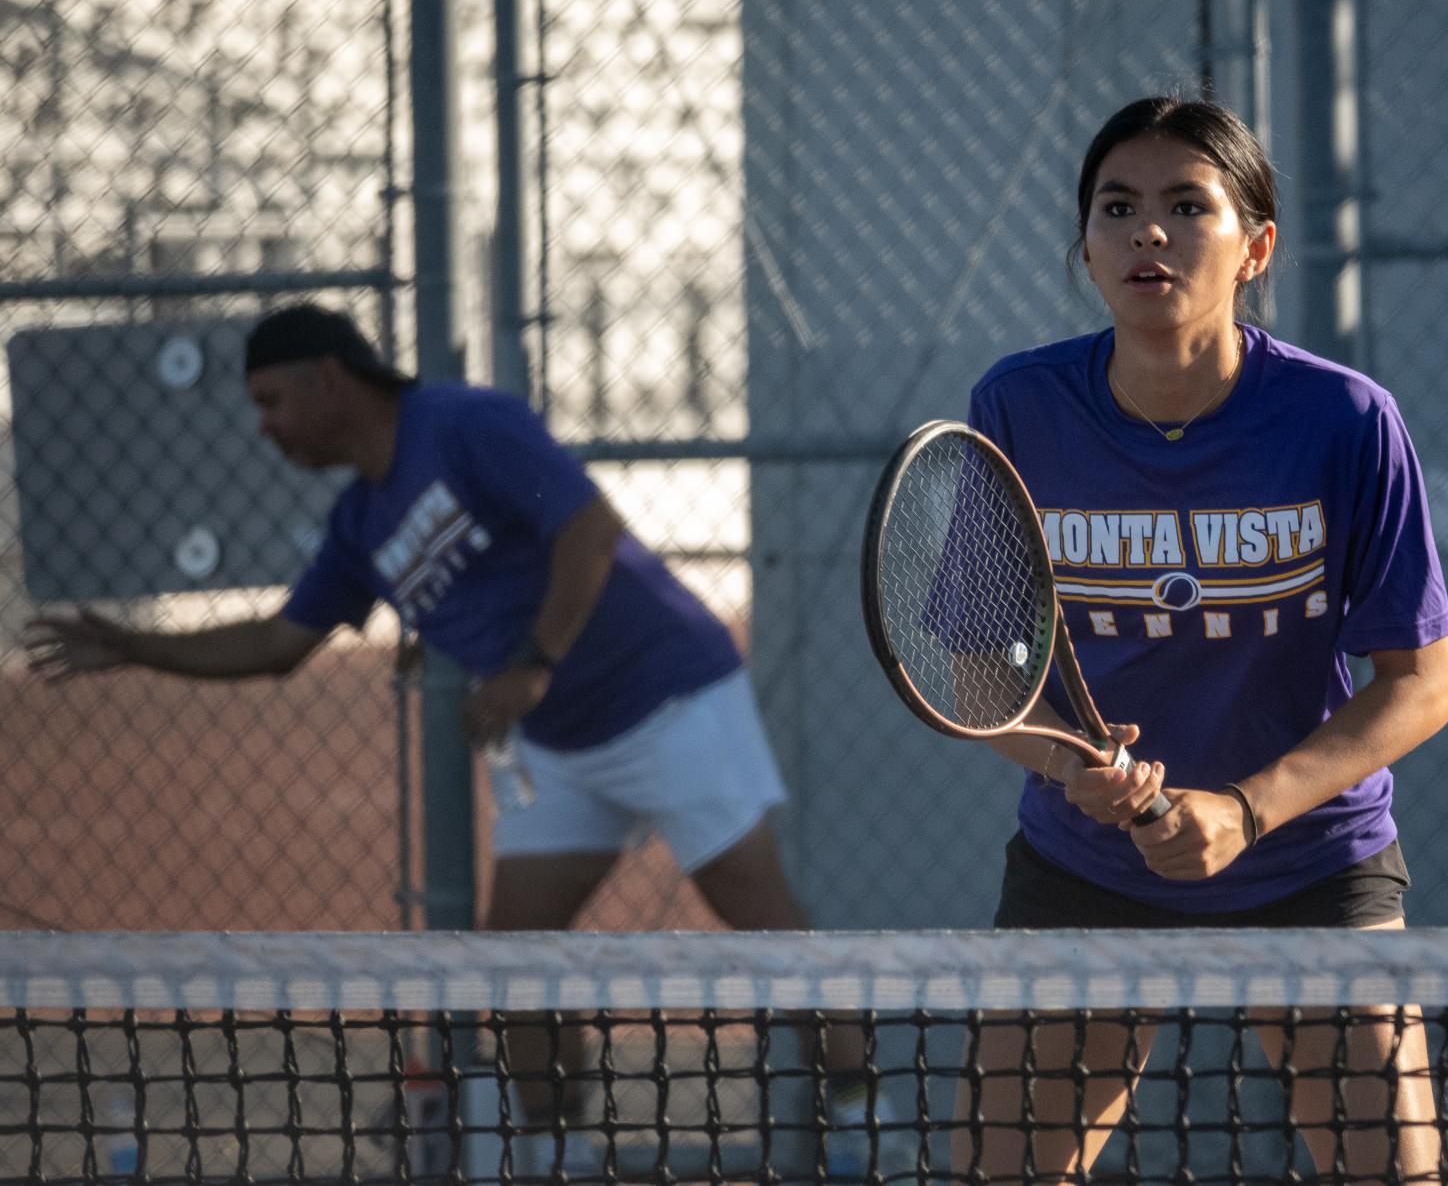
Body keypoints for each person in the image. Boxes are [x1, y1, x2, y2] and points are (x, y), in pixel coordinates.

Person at [25, 304, 890, 1175]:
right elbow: (279, 645)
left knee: (768, 932)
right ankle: (561, 1147)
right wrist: (135, 646)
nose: (266, 428)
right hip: (558, 743)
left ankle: (867, 1120)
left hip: (669, 698)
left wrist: (533, 662)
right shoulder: (360, 525)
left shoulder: (466, 424)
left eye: (271, 400)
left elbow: (588, 531)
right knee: (512, 959)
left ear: (329, 376)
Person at [950, 97, 1448, 1184]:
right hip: (1085, 866)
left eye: (1189, 205)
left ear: (1255, 247)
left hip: (1312, 863)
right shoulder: (1018, 406)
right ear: (1084, 244)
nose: (1149, 232)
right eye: (1118, 206)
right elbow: (973, 667)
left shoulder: (1347, 421)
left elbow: (1420, 684)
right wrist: (1072, 764)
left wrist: (1247, 807)